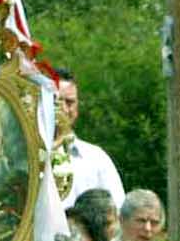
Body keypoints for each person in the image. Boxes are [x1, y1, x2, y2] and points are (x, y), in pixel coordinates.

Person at [48, 68, 124, 207]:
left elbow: (117, 211)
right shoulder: (25, 156)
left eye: (69, 102)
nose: (63, 109)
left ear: (77, 107)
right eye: (55, 101)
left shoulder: (97, 159)